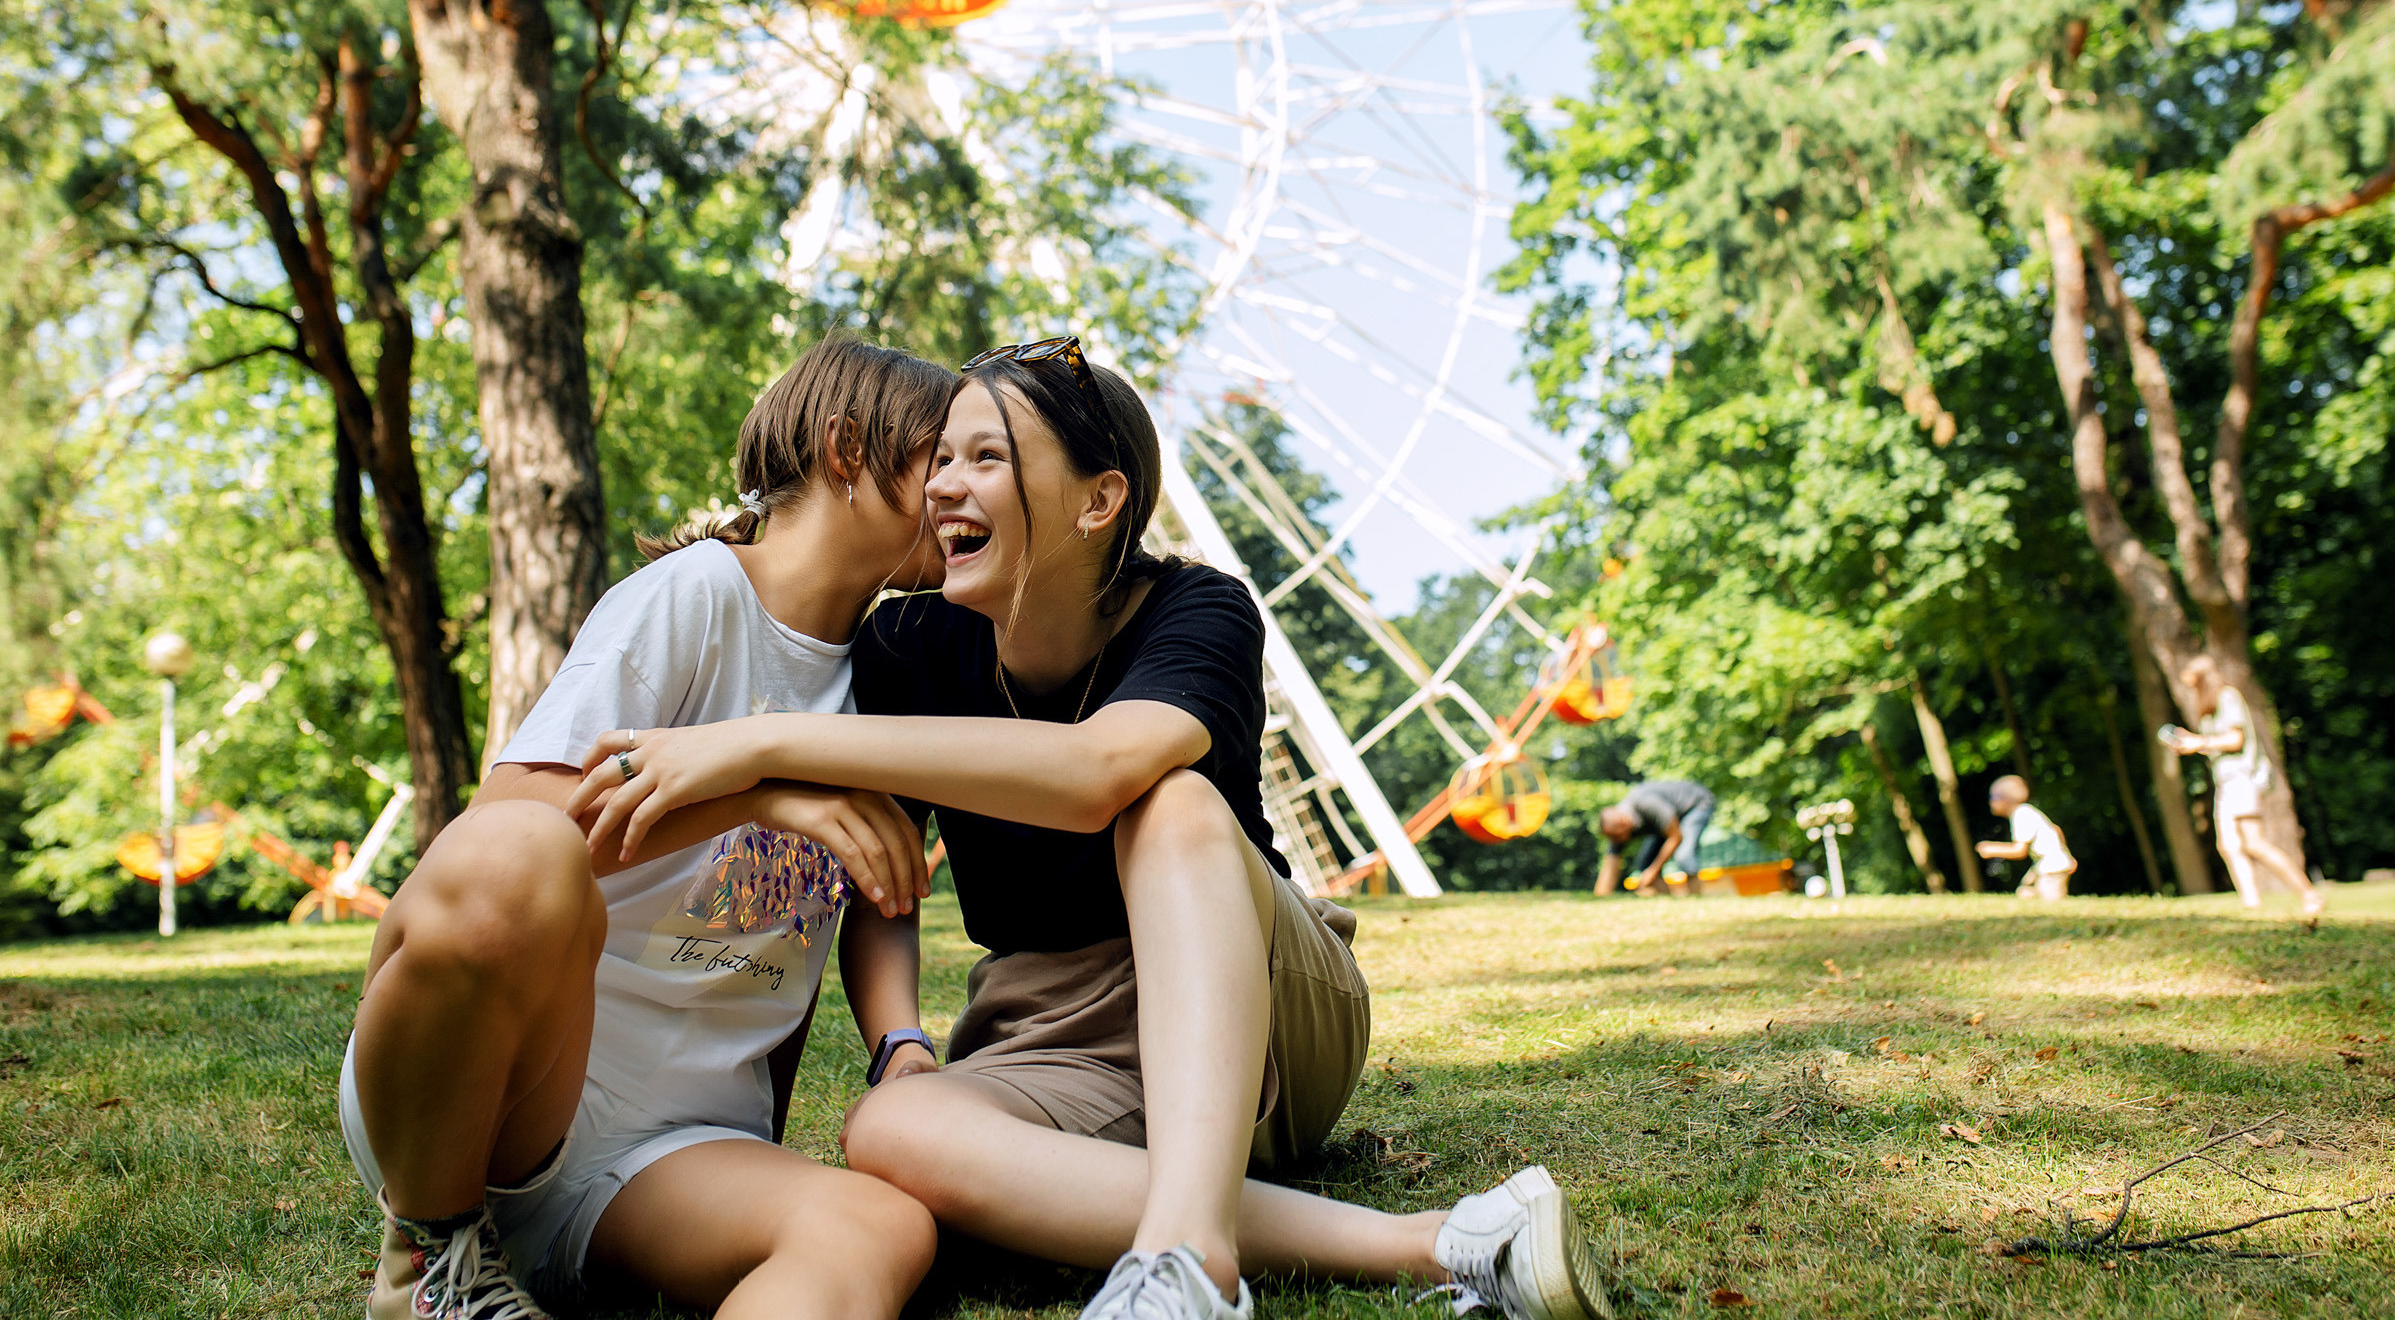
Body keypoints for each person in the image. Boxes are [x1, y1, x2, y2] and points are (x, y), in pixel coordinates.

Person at [568, 337, 1615, 1320]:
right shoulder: (912, 644)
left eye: (987, 456)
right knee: (893, 1130)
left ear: (1100, 499)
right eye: (939, 457)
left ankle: (1189, 1266)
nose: (942, 485)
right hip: (1054, 1030)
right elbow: (880, 875)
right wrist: (898, 1038)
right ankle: (1450, 1241)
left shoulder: (1197, 609)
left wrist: (766, 745)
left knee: (1167, 800)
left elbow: (1092, 773)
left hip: (1261, 997)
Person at [337, 335, 955, 1320]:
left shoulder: (895, 669)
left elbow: (866, 889)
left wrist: (902, 1043)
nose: (964, 491)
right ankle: (430, 1261)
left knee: (880, 1226)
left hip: (676, 1150)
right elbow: (503, 848)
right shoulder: (698, 594)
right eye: (942, 458)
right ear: (847, 450)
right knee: (521, 851)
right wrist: (762, 792)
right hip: (504, 1090)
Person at [2161, 656, 2324, 916]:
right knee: (2228, 845)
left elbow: (2235, 740)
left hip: (2241, 778)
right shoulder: (2211, 708)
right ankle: (2251, 904)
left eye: (2191, 681)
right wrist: (2192, 744)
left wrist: (2199, 742)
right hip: (2226, 781)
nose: (2190, 688)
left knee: (2255, 843)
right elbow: (2218, 744)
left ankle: (2309, 894)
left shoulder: (2227, 697)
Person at [1594, 778, 1714, 896]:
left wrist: (1653, 870)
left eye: (1617, 837)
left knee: (1684, 855)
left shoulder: (1646, 804)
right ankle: (1669, 902)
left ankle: (1695, 897)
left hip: (1694, 805)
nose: (1616, 841)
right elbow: (1611, 864)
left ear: (1624, 823)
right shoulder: (1615, 827)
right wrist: (1601, 897)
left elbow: (1675, 837)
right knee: (1645, 865)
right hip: (1666, 824)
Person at [1974, 776, 2077, 900]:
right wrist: (2067, 855)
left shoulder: (2021, 814)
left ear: (2005, 800)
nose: (1990, 802)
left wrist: (1992, 849)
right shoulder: (2026, 811)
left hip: (2052, 867)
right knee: (2025, 891)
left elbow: (2020, 850)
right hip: (2045, 864)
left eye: (1993, 797)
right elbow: (2056, 829)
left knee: (2050, 900)